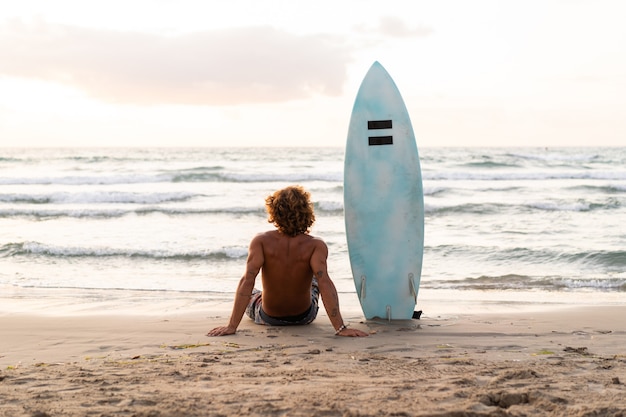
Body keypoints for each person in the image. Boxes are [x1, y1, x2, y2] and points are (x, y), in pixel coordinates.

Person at [207, 185, 368, 337]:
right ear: (307, 212)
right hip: (304, 317)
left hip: (268, 317)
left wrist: (232, 326)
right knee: (318, 278)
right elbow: (324, 282)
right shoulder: (315, 245)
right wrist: (340, 328)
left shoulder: (261, 241)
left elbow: (247, 280)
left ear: (274, 212)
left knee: (253, 291)